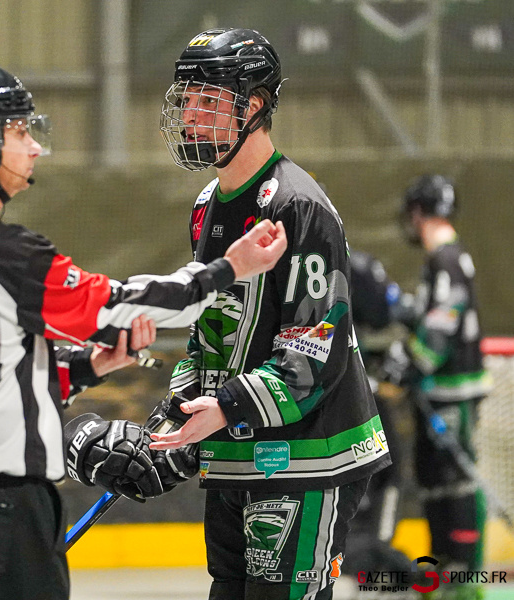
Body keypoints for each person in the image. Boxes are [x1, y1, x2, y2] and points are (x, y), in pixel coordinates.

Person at [0, 62, 287, 600]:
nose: (36, 147)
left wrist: (89, 365)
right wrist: (229, 269)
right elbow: (122, 305)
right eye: (21, 132)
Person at [148, 29, 391, 600]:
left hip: (307, 457)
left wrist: (227, 405)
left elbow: (315, 348)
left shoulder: (295, 204)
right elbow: (212, 331)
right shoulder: (208, 205)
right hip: (236, 453)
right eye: (186, 101)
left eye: (207, 101)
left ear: (252, 106)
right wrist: (178, 408)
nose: (190, 117)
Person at [389, 175, 490, 589]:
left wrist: (409, 363)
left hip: (452, 394)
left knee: (454, 483)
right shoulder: (449, 260)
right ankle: (450, 568)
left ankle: (462, 575)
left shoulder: (444, 261)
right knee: (436, 480)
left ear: (417, 213)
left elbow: (441, 328)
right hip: (444, 393)